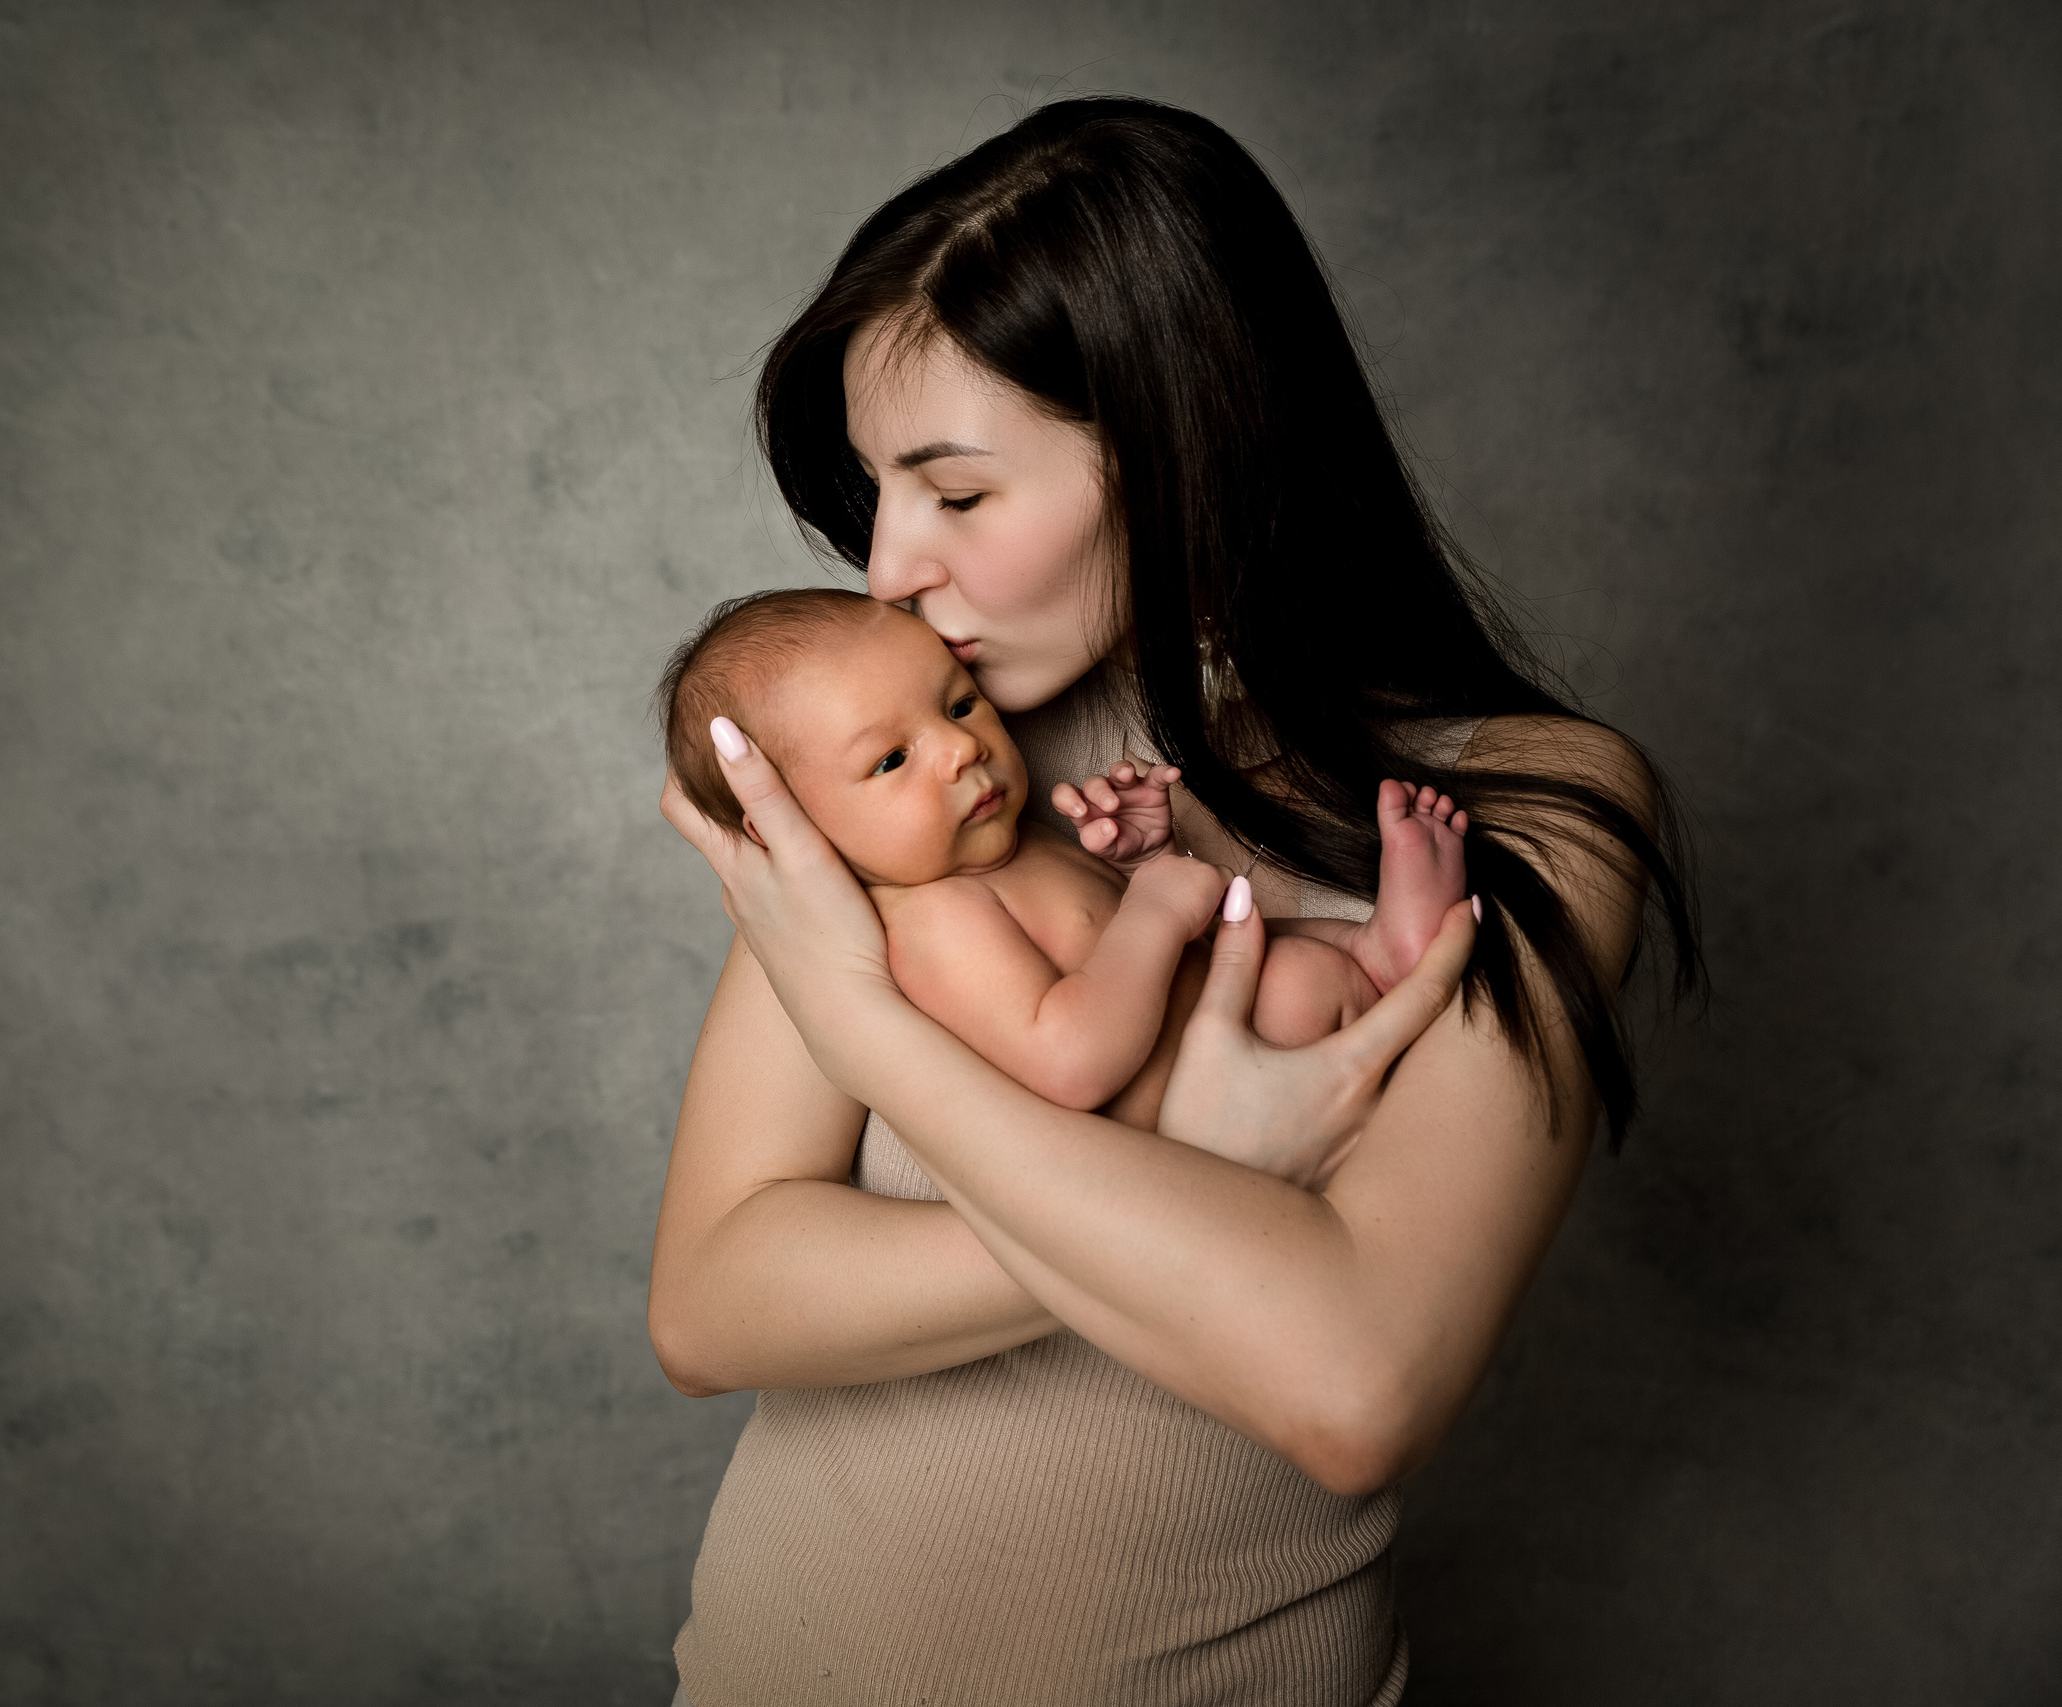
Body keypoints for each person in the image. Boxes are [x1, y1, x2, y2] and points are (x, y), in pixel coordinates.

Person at [649, 97, 1699, 1707]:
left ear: (1182, 445)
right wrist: (1211, 1191)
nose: (888, 572)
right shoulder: (926, 771)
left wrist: (865, 1023)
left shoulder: (1534, 806)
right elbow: (716, 1298)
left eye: (959, 494)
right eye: (875, 495)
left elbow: (1352, 1377)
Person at [655, 589, 1476, 1128]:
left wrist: (1142, 854)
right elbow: (1069, 1058)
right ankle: (1381, 963)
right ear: (786, 824)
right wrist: (1153, 905)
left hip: (1235, 1027)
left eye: (960, 703)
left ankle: (1378, 948)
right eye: (890, 760)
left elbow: (1116, 947)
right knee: (1288, 976)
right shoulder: (929, 920)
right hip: (1211, 1107)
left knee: (1279, 943)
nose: (959, 750)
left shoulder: (1003, 850)